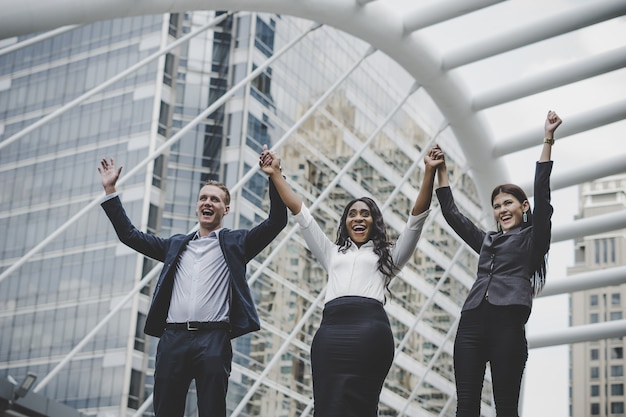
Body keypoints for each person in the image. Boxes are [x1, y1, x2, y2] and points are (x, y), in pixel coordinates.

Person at [259, 144, 443, 417]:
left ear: (374, 222)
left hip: (370, 334)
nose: (358, 218)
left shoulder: (389, 257)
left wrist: (428, 171)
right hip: (330, 333)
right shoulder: (331, 253)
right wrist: (275, 173)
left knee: (362, 406)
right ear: (345, 222)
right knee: (326, 404)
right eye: (352, 214)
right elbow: (300, 212)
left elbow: (416, 220)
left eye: (365, 214)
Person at [97, 157, 287, 417]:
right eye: (203, 198)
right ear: (197, 206)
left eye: (215, 199)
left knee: (211, 410)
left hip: (214, 339)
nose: (208, 202)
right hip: (173, 339)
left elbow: (276, 221)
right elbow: (129, 235)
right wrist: (110, 190)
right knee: (165, 410)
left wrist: (274, 176)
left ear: (226, 209)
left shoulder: (237, 243)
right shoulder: (175, 245)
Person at [432, 110, 563, 416]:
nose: (502, 210)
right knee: (465, 406)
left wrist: (548, 139)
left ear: (523, 206)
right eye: (496, 206)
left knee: (505, 407)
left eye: (508, 203)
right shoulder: (487, 241)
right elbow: (452, 214)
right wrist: (442, 170)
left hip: (508, 324)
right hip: (472, 321)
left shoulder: (534, 239)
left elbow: (543, 198)